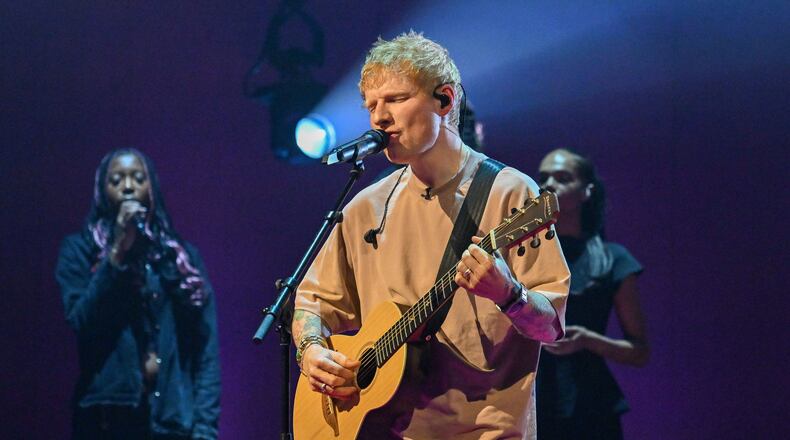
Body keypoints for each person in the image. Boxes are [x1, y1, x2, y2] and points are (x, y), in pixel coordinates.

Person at [292, 31, 570, 439]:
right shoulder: (365, 207)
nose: (378, 118)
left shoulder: (510, 192)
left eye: (396, 99)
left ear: (445, 100)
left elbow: (551, 329)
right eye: (371, 105)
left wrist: (509, 294)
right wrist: (311, 350)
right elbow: (311, 302)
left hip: (486, 431)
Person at [55, 149, 220, 439]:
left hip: (173, 423)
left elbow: (206, 350)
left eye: (137, 178)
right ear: (101, 191)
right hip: (106, 420)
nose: (128, 186)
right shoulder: (80, 251)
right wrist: (117, 252)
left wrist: (205, 428)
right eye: (116, 179)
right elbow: (81, 321)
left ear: (152, 188)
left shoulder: (181, 258)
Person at [535, 148, 650, 440]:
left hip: (591, 407)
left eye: (562, 178)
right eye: (543, 177)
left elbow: (639, 352)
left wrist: (588, 340)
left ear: (587, 191)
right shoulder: (528, 256)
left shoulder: (613, 259)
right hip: (532, 403)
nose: (549, 184)